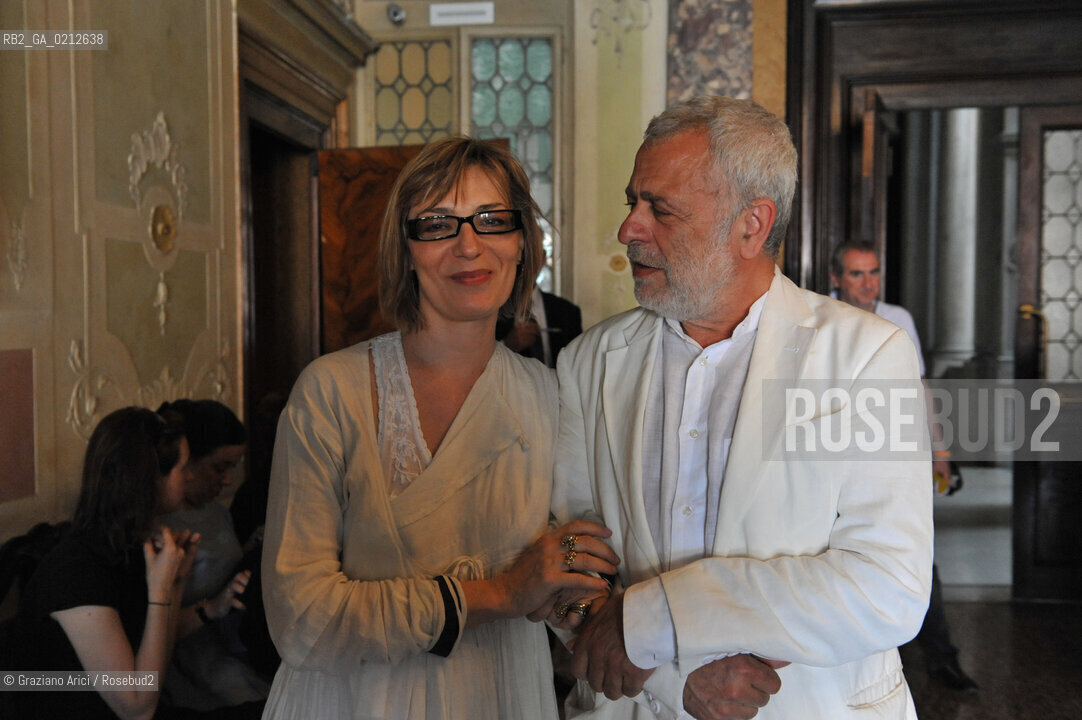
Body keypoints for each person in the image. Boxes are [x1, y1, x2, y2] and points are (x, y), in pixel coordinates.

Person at [552, 96, 933, 719]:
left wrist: (655, 618)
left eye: (661, 209)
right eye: (632, 201)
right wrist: (676, 680)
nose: (629, 229)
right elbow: (569, 561)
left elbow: (887, 587)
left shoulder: (869, 355)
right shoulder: (589, 362)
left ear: (752, 225)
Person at [260, 135, 619, 719]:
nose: (468, 246)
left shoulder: (553, 398)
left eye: (492, 220)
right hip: (353, 703)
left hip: (501, 698)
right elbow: (301, 621)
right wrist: (500, 593)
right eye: (437, 224)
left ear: (524, 244)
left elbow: (563, 581)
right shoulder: (331, 392)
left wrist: (610, 626)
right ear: (405, 250)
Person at [3, 406, 231, 720]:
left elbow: (145, 637)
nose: (191, 474)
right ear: (148, 480)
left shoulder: (126, 544)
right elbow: (138, 706)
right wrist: (162, 589)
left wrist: (202, 601)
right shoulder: (79, 569)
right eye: (183, 466)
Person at [830, 240, 978, 694]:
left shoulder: (899, 320)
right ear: (836, 279)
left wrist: (941, 452)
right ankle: (842, 664)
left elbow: (918, 388)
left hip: (896, 453)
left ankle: (941, 659)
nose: (868, 283)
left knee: (918, 555)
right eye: (856, 274)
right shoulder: (819, 318)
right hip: (838, 458)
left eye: (873, 272)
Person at [157, 399, 271, 715]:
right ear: (188, 462)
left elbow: (228, 567)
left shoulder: (218, 513)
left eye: (234, 466)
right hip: (190, 653)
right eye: (220, 467)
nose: (227, 480)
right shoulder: (158, 527)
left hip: (239, 637)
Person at [497, 286, 584, 368]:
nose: (526, 270)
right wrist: (507, 345)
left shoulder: (568, 311)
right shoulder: (495, 308)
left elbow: (578, 362)